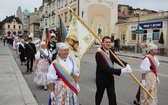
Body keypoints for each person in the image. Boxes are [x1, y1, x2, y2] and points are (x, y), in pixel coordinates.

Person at [95, 36, 132, 105]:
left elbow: (117, 60)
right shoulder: (99, 53)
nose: (108, 44)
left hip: (110, 78)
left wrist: (126, 65)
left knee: (112, 96)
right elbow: (105, 68)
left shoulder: (111, 50)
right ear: (102, 43)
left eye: (109, 42)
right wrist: (121, 71)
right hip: (101, 78)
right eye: (106, 42)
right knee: (99, 95)